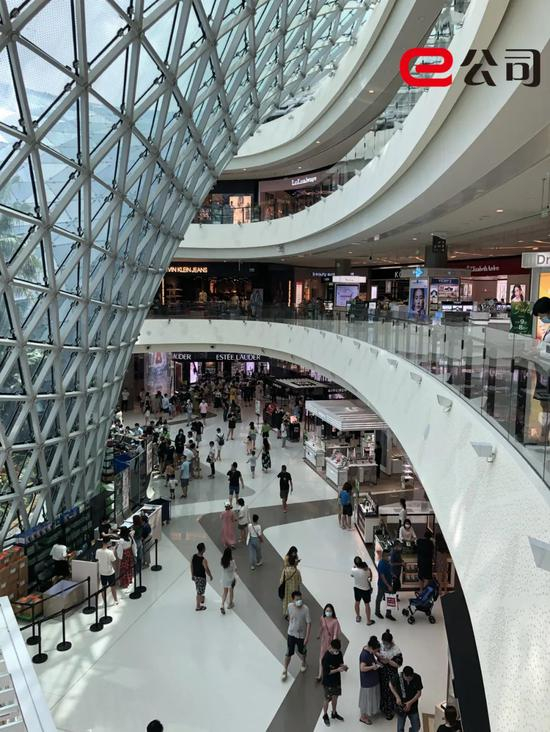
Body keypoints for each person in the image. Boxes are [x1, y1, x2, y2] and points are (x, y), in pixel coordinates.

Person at [281, 590, 311, 681]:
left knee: (303, 651)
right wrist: (292, 623)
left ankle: (303, 662)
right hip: (291, 634)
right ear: (293, 599)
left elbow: (309, 623)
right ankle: (285, 670)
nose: (299, 601)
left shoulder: (305, 609)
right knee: (288, 652)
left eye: (300, 599)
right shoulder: (290, 606)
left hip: (301, 636)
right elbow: (289, 616)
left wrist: (307, 637)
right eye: (297, 599)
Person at [321, 638, 348, 726]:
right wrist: (337, 670)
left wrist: (343, 666)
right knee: (327, 698)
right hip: (328, 682)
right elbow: (327, 672)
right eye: (335, 650)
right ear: (331, 647)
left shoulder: (339, 653)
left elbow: (340, 663)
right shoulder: (326, 657)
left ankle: (334, 712)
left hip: (336, 680)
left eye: (338, 650)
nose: (337, 652)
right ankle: (325, 715)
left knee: (335, 697)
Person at [389, 666, 423, 732]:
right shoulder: (398, 677)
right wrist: (397, 697)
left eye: (410, 679)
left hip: (413, 706)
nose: (408, 680)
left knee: (416, 727)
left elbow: (419, 693)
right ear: (403, 674)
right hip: (401, 706)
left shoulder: (417, 677)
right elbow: (390, 684)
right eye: (406, 678)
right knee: (400, 728)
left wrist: (409, 703)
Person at [378, 629, 403, 720]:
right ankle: (382, 707)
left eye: (386, 643)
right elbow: (375, 651)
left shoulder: (396, 651)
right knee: (382, 690)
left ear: (391, 642)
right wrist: (379, 657)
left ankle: (390, 710)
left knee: (390, 691)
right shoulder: (381, 644)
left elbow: (398, 664)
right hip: (381, 671)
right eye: (383, 643)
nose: (385, 645)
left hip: (391, 674)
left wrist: (388, 661)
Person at [359, 636, 382, 725]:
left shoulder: (368, 649)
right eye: (376, 651)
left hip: (372, 679)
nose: (376, 653)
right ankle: (363, 717)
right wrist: (373, 667)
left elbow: (372, 657)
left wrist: (376, 662)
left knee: (371, 696)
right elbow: (362, 668)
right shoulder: (364, 655)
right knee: (367, 698)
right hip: (367, 681)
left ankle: (369, 711)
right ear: (372, 648)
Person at [317, 603, 341, 682]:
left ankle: (331, 671)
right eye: (327, 611)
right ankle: (320, 674)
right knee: (321, 656)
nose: (328, 612)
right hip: (324, 641)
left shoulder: (335, 621)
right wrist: (319, 634)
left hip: (331, 643)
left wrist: (333, 644)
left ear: (332, 612)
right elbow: (321, 627)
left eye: (330, 611)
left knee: (330, 657)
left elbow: (335, 633)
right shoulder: (322, 618)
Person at [351, 556, 374, 625]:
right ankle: (368, 621)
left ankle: (358, 617)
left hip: (357, 588)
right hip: (365, 589)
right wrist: (369, 569)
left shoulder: (353, 569)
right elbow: (370, 578)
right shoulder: (366, 571)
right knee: (367, 604)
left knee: (357, 602)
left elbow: (352, 575)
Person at [191, 542, 212, 611]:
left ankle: (201, 598)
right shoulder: (204, 560)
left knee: (199, 588)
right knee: (199, 592)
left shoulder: (193, 556)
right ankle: (198, 606)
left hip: (195, 577)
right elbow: (207, 569)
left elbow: (191, 565)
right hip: (201, 578)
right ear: (203, 549)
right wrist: (210, 576)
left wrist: (192, 575)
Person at [96, 538, 118, 605]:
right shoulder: (110, 552)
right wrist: (116, 570)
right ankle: (116, 600)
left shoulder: (98, 551)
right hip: (110, 572)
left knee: (103, 587)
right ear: (108, 543)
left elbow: (97, 559)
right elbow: (113, 562)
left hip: (102, 572)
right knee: (113, 587)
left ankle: (105, 602)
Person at [375, 549, 395, 621]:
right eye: (388, 555)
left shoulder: (388, 562)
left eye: (389, 555)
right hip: (382, 585)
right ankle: (377, 612)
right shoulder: (381, 564)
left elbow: (389, 571)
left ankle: (388, 614)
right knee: (379, 598)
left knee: (389, 599)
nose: (389, 556)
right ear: (383, 556)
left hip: (389, 583)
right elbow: (382, 577)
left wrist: (393, 575)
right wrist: (388, 586)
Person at [280, 553, 302, 618]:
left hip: (286, 589)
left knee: (286, 600)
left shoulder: (285, 570)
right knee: (293, 601)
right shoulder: (297, 571)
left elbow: (281, 580)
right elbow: (299, 581)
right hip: (294, 589)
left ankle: (286, 613)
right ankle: (293, 613)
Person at [220, 547, 236, 615]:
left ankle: (222, 605)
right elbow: (235, 569)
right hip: (231, 579)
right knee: (231, 591)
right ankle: (230, 604)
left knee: (225, 592)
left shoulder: (222, 560)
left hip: (224, 578)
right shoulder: (232, 562)